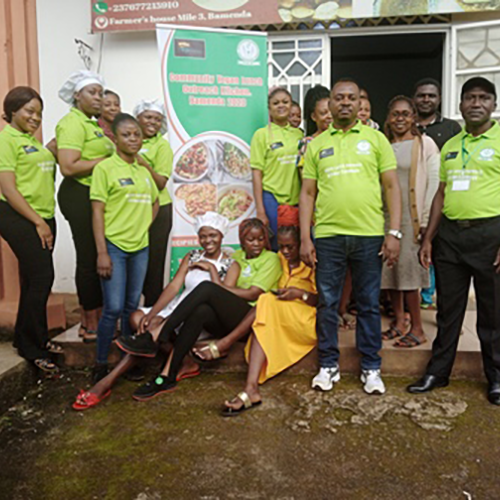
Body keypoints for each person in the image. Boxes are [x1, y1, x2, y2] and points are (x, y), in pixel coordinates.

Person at [300, 78, 402, 395]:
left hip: (369, 235)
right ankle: (328, 365)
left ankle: (371, 367)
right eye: (338, 98)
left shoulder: (376, 139)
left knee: (369, 304)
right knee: (328, 303)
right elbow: (307, 193)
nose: (345, 102)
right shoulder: (316, 144)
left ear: (360, 104)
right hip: (328, 236)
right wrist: (306, 237)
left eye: (351, 98)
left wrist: (394, 232)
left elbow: (391, 187)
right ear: (329, 105)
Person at [72, 212, 235, 410]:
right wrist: (152, 313)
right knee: (138, 318)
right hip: (177, 309)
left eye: (213, 235)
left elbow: (224, 295)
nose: (207, 240)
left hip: (198, 317)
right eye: (203, 236)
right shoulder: (192, 256)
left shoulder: (230, 264)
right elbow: (174, 287)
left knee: (153, 332)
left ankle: (105, 383)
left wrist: (211, 269)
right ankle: (182, 359)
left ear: (221, 235)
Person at [407, 77, 500, 406]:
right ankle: (439, 372)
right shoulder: (449, 145)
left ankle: (496, 377)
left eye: (484, 98)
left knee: (492, 312)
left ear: (493, 104)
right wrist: (429, 238)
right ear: (460, 105)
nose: (476, 103)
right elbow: (440, 195)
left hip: (490, 234)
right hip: (450, 237)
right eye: (470, 98)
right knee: (448, 310)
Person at [116, 218, 282, 401]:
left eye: (260, 239)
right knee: (201, 311)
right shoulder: (237, 256)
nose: (256, 244)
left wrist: (213, 273)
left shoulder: (271, 258)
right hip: (226, 315)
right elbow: (177, 287)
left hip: (250, 318)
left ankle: (156, 334)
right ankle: (167, 375)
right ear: (241, 240)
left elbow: (252, 294)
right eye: (250, 240)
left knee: (206, 287)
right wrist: (155, 312)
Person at [89, 113, 159, 383]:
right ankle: (100, 363)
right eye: (127, 134)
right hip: (114, 247)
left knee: (132, 306)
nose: (133, 139)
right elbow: (97, 213)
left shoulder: (143, 171)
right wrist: (102, 252)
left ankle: (128, 361)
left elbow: (155, 202)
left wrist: (143, 226)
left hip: (140, 247)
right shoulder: (105, 169)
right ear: (115, 138)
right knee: (113, 308)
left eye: (137, 134)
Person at [222, 225, 317, 416]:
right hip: (281, 313)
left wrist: (299, 293)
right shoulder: (279, 259)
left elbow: (321, 300)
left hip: (304, 317)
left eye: (290, 247)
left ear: (301, 244)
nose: (285, 251)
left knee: (265, 302)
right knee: (264, 317)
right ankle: (251, 388)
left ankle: (226, 342)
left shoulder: (312, 262)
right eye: (281, 247)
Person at [0, 87, 59, 374]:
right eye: (29, 112)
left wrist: (52, 149)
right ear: (12, 111)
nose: (35, 117)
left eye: (39, 113)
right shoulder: (6, 140)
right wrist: (37, 221)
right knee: (42, 277)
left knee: (32, 280)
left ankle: (31, 339)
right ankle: (32, 348)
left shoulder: (30, 141)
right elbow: (8, 188)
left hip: (43, 216)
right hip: (18, 216)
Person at [56, 70, 115, 343]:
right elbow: (68, 166)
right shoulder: (72, 122)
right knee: (89, 258)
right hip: (78, 194)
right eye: (92, 92)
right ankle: (90, 322)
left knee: (96, 257)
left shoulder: (92, 124)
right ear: (77, 95)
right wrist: (104, 161)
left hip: (94, 195)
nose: (99, 98)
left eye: (101, 92)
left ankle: (95, 317)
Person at [381, 96, 440, 347]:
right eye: (395, 114)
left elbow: (434, 183)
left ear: (414, 117)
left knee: (409, 275)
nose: (400, 119)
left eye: (406, 114)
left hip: (412, 219)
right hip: (386, 217)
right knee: (391, 272)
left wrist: (426, 220)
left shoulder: (424, 144)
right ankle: (399, 322)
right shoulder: (382, 144)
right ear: (389, 117)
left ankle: (417, 328)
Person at [413, 78, 462, 310]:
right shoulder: (407, 126)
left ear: (439, 99)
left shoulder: (451, 128)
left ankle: (444, 310)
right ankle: (417, 303)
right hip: (413, 201)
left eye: (431, 96)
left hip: (444, 201)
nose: (426, 99)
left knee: (443, 260)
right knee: (416, 253)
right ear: (415, 98)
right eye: (421, 95)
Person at [133, 99, 174, 307]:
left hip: (159, 210)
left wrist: (142, 163)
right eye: (148, 117)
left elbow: (160, 182)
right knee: (132, 262)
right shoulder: (128, 141)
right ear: (137, 119)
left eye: (158, 119)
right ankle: (129, 312)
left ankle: (150, 314)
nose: (153, 122)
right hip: (131, 209)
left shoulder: (162, 146)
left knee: (154, 265)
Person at [251, 87, 303, 250]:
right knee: (275, 246)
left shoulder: (299, 135)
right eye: (276, 103)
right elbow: (256, 173)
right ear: (269, 108)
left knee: (295, 245)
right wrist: (260, 209)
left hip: (296, 200)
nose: (281, 106)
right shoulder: (261, 135)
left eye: (285, 102)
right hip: (271, 198)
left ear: (291, 106)